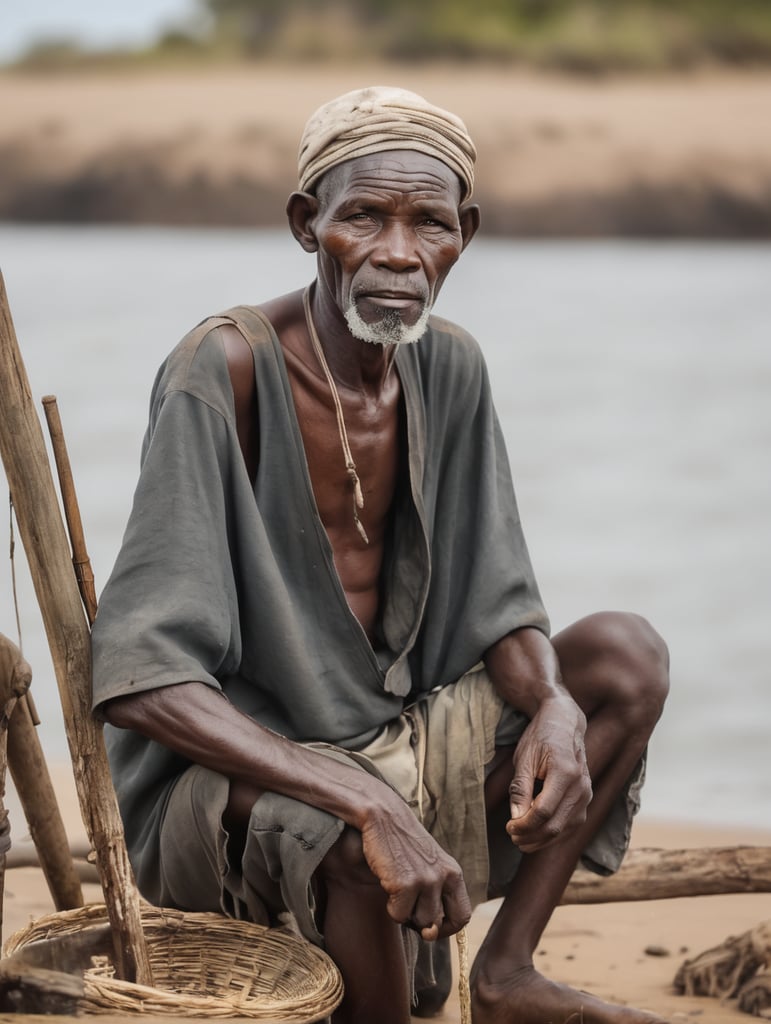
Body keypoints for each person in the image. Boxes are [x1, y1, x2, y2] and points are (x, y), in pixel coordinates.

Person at [91, 86, 670, 1024]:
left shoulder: (451, 366)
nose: (399, 252)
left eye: (428, 224)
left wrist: (556, 707)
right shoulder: (223, 368)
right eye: (363, 216)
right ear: (306, 224)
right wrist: (367, 803)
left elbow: (501, 608)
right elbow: (140, 682)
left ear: (462, 236)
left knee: (623, 658)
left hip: (396, 736)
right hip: (237, 777)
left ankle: (506, 973)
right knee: (347, 825)